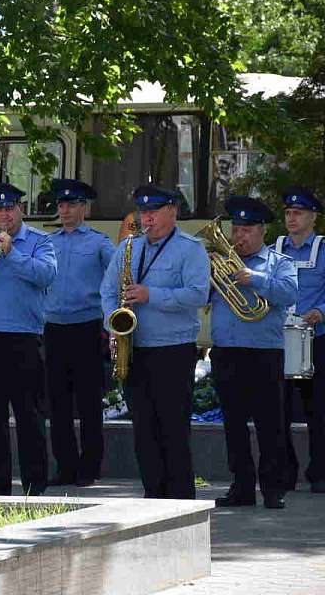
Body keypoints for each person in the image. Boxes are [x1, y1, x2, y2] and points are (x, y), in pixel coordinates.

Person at [100, 185, 210, 499]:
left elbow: (198, 294)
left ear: (172, 211)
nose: (146, 218)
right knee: (144, 429)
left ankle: (180, 499)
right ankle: (153, 494)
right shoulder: (128, 248)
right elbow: (107, 292)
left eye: (154, 212)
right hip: (135, 349)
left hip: (173, 350)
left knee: (173, 428)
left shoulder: (191, 249)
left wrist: (152, 295)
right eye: (143, 212)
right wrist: (114, 323)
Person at [0, 183, 57, 496]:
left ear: (20, 209)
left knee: (28, 414)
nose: (4, 214)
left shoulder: (39, 242)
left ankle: (35, 485)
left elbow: (46, 275)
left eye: (10, 208)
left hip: (23, 337)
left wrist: (12, 252)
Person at [210, 196, 296, 510]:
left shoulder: (279, 262)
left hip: (264, 352)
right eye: (236, 229)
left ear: (262, 231)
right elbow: (198, 294)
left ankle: (273, 489)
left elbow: (289, 293)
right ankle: (241, 487)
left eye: (247, 230)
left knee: (269, 424)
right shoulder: (220, 260)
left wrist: (255, 278)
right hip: (226, 351)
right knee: (233, 425)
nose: (239, 236)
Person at [43, 179, 115, 487]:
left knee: (88, 402)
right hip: (54, 328)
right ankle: (66, 466)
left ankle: (90, 467)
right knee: (57, 403)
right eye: (61, 205)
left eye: (72, 204)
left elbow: (116, 280)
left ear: (85, 207)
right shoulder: (46, 242)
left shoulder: (99, 243)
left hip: (86, 327)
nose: (66, 210)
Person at [276, 186, 325, 494]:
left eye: (298, 213)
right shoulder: (274, 248)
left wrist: (321, 311)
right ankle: (284, 473)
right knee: (277, 411)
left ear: (313, 218)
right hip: (279, 340)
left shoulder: (323, 248)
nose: (291, 218)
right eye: (288, 213)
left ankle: (319, 473)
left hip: (317, 339)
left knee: (318, 411)